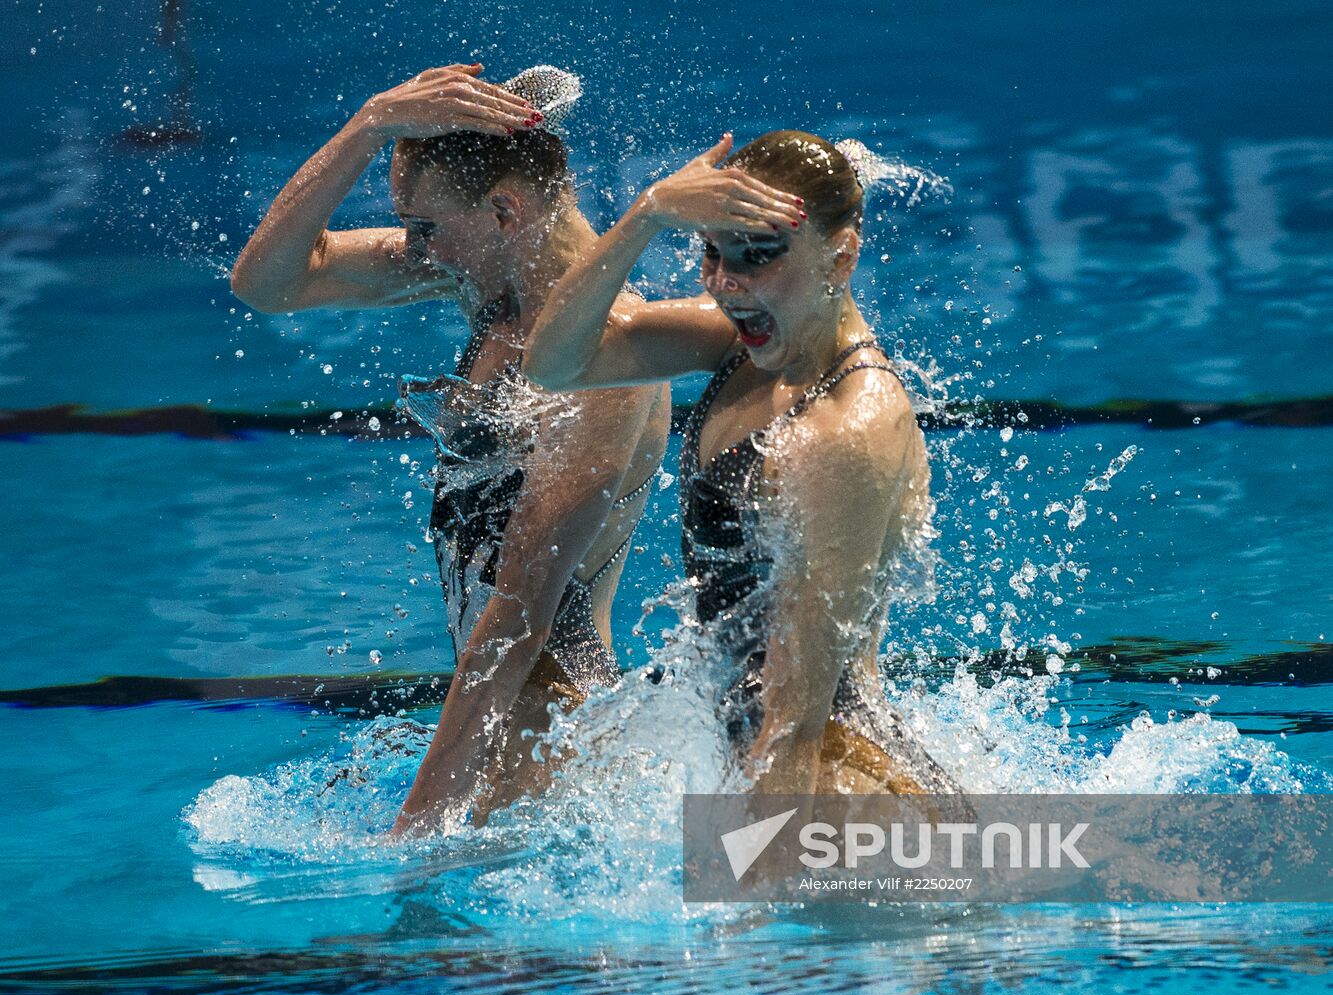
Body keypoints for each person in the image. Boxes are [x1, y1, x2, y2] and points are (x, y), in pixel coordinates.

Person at [230, 64, 671, 832]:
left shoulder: (604, 356)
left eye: (426, 227)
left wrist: (419, 823)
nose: (417, 249)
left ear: (505, 210)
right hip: (498, 710)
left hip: (550, 725)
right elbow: (268, 283)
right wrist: (368, 124)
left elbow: (521, 612)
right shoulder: (482, 285)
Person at [523, 131, 959, 797]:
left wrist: (747, 891)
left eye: (757, 256)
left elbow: (796, 714)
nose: (727, 283)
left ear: (840, 258)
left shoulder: (846, 424)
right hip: (764, 758)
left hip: (831, 783)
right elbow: (553, 364)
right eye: (712, 252)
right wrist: (647, 213)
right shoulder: (741, 344)